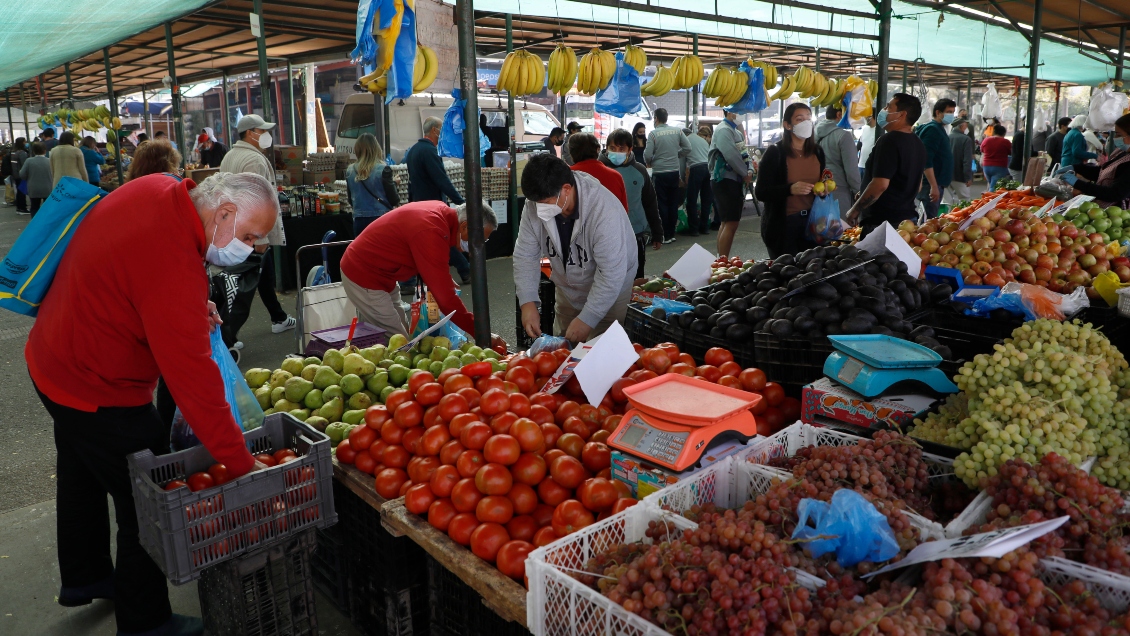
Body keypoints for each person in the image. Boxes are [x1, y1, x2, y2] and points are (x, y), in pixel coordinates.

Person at [28, 171, 279, 636]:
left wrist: (190, 303)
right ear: (224, 212)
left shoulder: (160, 188)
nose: (251, 248)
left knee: (81, 471)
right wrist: (242, 463)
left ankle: (86, 577)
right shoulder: (174, 266)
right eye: (249, 237)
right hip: (98, 387)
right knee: (146, 502)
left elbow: (135, 271)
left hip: (55, 355)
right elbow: (195, 384)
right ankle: (145, 623)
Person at [339, 199, 502, 342]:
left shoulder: (440, 213)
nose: (478, 245)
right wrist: (480, 333)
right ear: (465, 226)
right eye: (480, 239)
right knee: (398, 343)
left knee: (396, 336)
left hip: (382, 273)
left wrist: (439, 279)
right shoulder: (432, 229)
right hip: (364, 274)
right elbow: (446, 299)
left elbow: (422, 252)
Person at [515, 154, 637, 342]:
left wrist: (589, 318)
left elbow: (611, 273)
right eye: (535, 203)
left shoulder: (604, 210)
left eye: (545, 203)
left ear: (566, 189)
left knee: (601, 347)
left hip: (610, 291)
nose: (539, 209)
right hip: (567, 288)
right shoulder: (536, 202)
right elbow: (525, 255)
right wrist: (527, 302)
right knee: (563, 346)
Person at [217, 114, 294, 357]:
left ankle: (278, 317)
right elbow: (256, 201)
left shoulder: (230, 155)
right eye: (263, 131)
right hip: (250, 232)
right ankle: (226, 338)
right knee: (244, 288)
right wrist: (260, 238)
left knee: (260, 274)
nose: (266, 135)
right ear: (251, 133)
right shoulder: (254, 160)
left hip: (235, 227)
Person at [846, 93, 928, 239]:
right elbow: (918, 185)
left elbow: (880, 184)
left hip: (883, 223)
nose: (883, 110)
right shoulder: (918, 143)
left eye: (889, 107)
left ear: (902, 114)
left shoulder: (889, 141)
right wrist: (865, 192)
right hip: (907, 221)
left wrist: (855, 209)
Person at [405, 116, 470, 284]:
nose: (444, 132)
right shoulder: (429, 151)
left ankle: (414, 278)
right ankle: (465, 270)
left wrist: (411, 202)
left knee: (431, 240)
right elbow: (441, 180)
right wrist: (460, 201)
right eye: (442, 128)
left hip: (419, 205)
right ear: (434, 130)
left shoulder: (413, 151)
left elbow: (411, 182)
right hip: (433, 206)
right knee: (445, 238)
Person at [755, 103, 824, 258]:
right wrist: (790, 189)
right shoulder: (775, 153)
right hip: (784, 224)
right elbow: (761, 192)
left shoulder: (818, 152)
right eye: (799, 119)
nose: (806, 123)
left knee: (813, 268)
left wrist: (824, 189)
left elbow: (822, 180)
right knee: (787, 269)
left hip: (813, 222)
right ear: (787, 125)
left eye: (809, 119)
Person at [602, 128, 663, 279]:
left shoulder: (639, 170)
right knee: (610, 278)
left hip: (635, 233)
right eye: (612, 148)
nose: (616, 152)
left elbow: (650, 202)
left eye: (621, 149)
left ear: (630, 149)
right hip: (606, 236)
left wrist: (657, 232)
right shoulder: (599, 170)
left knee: (636, 276)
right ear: (606, 148)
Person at [643, 109, 691, 245]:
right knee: (673, 202)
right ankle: (672, 233)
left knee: (662, 203)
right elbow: (688, 148)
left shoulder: (653, 134)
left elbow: (647, 155)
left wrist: (651, 161)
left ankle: (664, 234)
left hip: (660, 172)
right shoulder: (677, 131)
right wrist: (677, 155)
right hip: (674, 172)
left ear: (656, 118)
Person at [1062, 113, 1130, 208]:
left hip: (1117, 210)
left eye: (1119, 135)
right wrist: (1077, 168)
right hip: (1101, 208)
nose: (1115, 138)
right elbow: (1105, 172)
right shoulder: (1121, 152)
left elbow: (1115, 193)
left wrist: (1079, 184)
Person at [710, 110, 753, 258]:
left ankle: (720, 260)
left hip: (732, 180)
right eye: (739, 111)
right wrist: (744, 173)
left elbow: (744, 153)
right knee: (731, 222)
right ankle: (723, 261)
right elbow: (731, 155)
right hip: (724, 180)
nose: (742, 114)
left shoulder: (735, 132)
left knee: (727, 222)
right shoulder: (723, 130)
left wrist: (750, 170)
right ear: (728, 112)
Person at [346, 133, 399, 236]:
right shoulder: (383, 169)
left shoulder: (350, 171)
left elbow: (350, 199)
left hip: (359, 220)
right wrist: (394, 184)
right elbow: (394, 200)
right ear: (376, 148)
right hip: (381, 219)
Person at [815, 104, 861, 222]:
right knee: (840, 229)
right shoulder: (843, 136)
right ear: (839, 115)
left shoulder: (814, 133)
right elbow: (852, 171)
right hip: (839, 191)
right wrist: (858, 193)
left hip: (817, 189)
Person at [914, 98, 954, 218]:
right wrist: (934, 186)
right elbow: (926, 160)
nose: (952, 115)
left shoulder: (939, 129)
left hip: (935, 183)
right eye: (949, 112)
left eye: (953, 112)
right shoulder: (933, 130)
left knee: (929, 217)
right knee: (927, 220)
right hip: (929, 185)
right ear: (938, 112)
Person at [567, 133, 628, 211]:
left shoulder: (566, 175)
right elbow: (623, 211)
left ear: (571, 152)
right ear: (597, 149)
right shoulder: (616, 176)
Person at [682, 125, 713, 236]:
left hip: (696, 169)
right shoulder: (702, 140)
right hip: (708, 168)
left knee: (692, 200)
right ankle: (705, 228)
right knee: (706, 200)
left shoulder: (686, 141)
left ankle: (694, 229)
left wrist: (682, 178)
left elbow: (682, 163)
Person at [19, 142, 52, 216]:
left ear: (33, 151)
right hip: (48, 188)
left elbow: (22, 175)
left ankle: (35, 222)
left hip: (33, 188)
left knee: (34, 207)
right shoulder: (49, 161)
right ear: (45, 151)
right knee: (48, 208)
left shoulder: (29, 161)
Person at [947, 118, 975, 203]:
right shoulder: (966, 139)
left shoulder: (947, 137)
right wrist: (968, 177)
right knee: (964, 200)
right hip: (960, 176)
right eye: (966, 126)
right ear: (962, 126)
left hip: (947, 175)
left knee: (948, 201)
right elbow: (967, 160)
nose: (967, 128)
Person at [980, 124, 1012, 190]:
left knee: (991, 184)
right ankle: (989, 196)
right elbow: (1010, 152)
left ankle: (988, 195)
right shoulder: (1006, 142)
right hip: (999, 167)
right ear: (1004, 133)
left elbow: (982, 150)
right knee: (994, 187)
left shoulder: (986, 140)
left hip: (986, 166)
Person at [11, 137, 29, 213]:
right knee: (22, 192)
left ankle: (19, 207)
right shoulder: (22, 153)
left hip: (15, 174)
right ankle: (23, 208)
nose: (26, 143)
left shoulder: (13, 152)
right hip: (21, 175)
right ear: (22, 143)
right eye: (25, 142)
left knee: (19, 191)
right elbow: (25, 164)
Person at [858, 115, 877, 184]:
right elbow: (860, 145)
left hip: (870, 167)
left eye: (869, 117)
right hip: (861, 165)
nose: (866, 119)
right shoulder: (865, 129)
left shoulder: (880, 130)